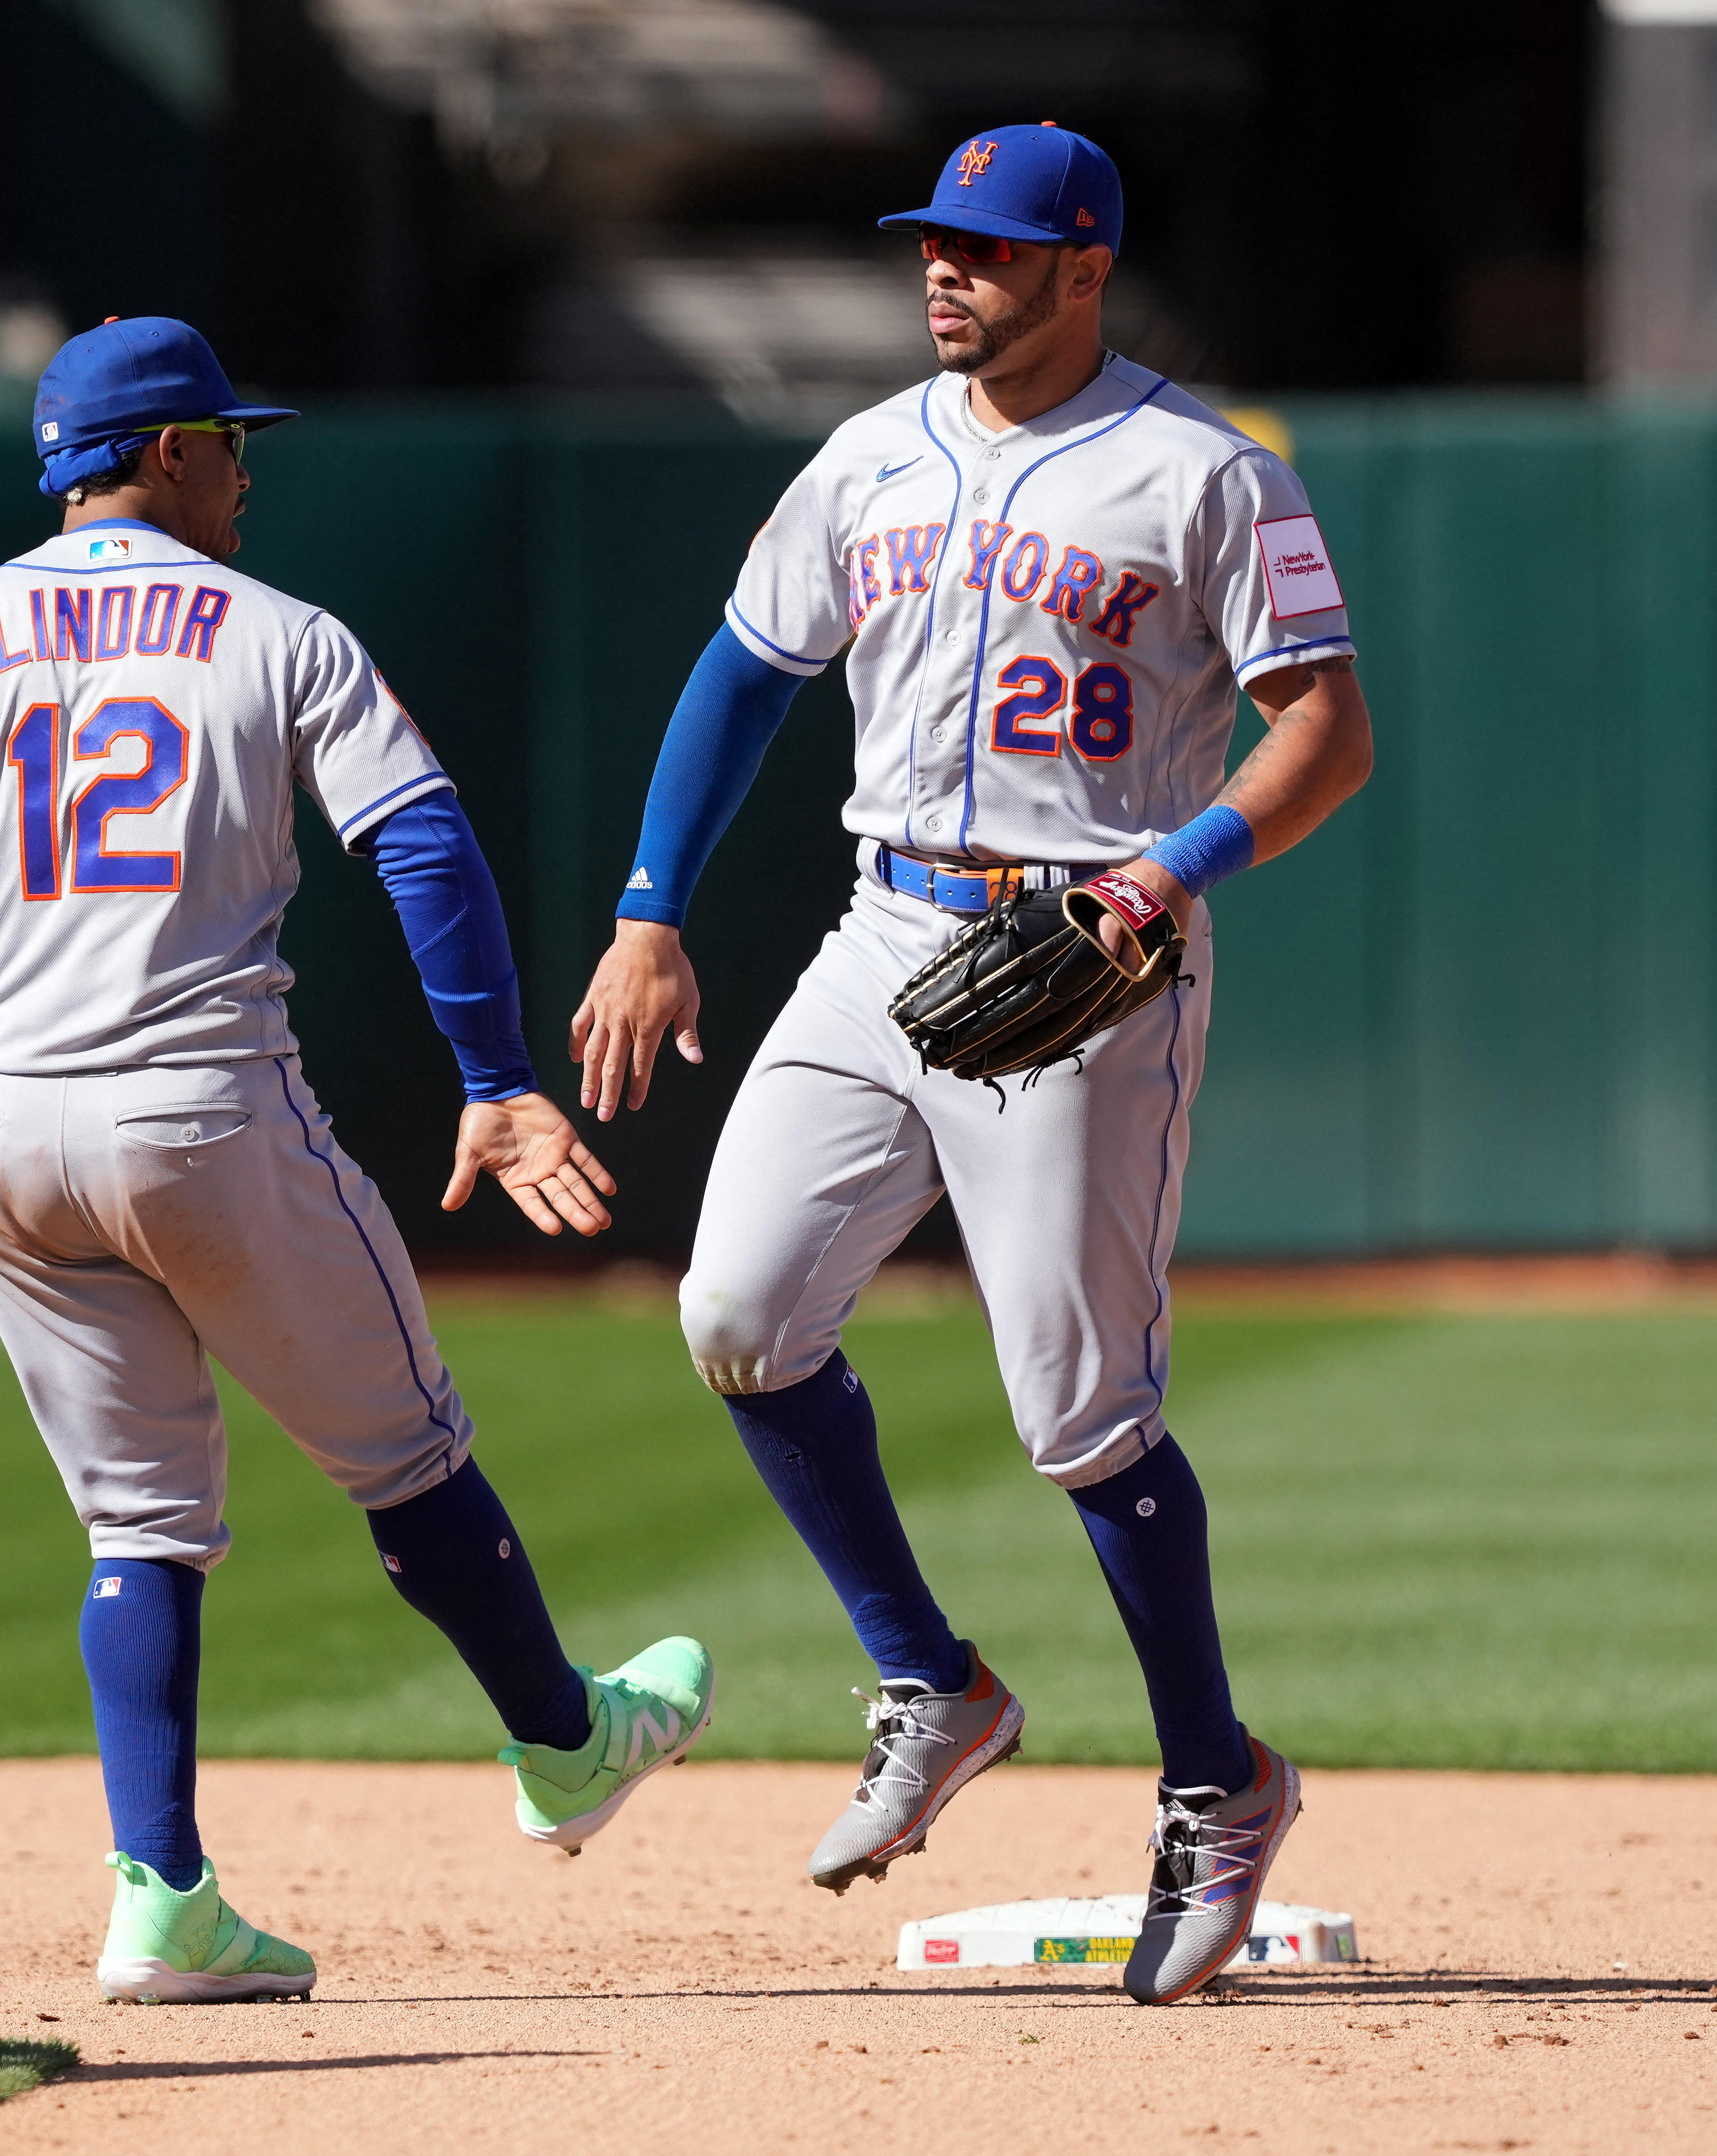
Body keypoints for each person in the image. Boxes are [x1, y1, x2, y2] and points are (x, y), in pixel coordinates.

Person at [0, 316, 713, 2005]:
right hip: (204, 1111)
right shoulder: (281, 631)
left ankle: (162, 1894)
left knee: (140, 1518)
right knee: (408, 1450)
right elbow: (425, 836)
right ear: (166, 452)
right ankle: (564, 1739)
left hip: (2, 1136)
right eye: (232, 442)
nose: (247, 470)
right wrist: (496, 1079)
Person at [567, 124, 1373, 2006]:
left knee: (1077, 1408)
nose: (946, 273)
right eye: (933, 243)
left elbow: (1326, 729)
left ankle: (1218, 1784)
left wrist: (1175, 869)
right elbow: (743, 671)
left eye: (989, 252)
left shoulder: (1208, 475)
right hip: (882, 928)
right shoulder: (868, 455)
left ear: (1082, 267)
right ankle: (935, 1678)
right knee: (741, 1309)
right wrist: (647, 904)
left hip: (1090, 950)